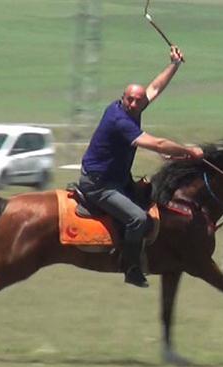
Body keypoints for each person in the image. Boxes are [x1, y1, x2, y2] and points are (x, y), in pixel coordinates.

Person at [78, 46, 203, 288]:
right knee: (137, 219)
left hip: (119, 179)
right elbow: (156, 144)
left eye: (138, 100)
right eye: (130, 100)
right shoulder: (119, 119)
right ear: (122, 99)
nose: (135, 104)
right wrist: (188, 152)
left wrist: (174, 65)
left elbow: (154, 88)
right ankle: (131, 266)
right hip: (99, 184)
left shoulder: (134, 106)